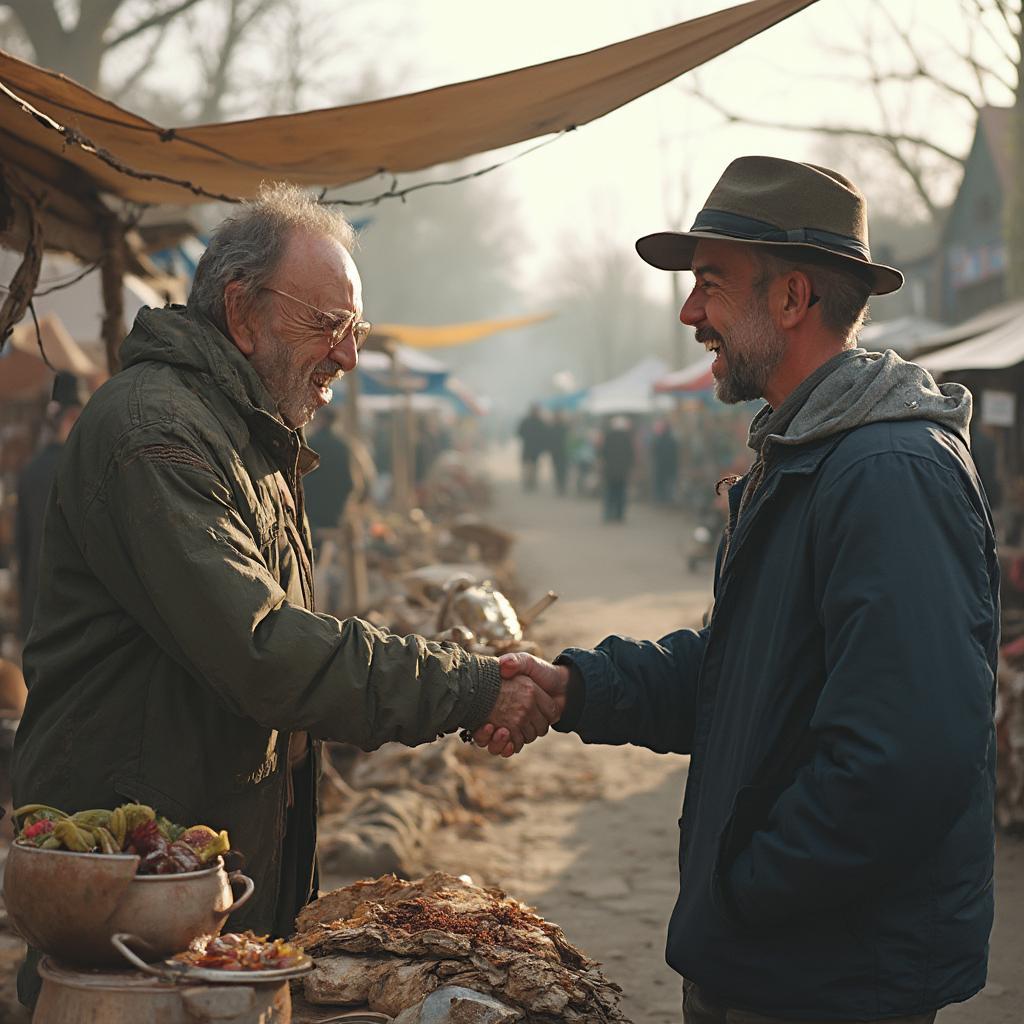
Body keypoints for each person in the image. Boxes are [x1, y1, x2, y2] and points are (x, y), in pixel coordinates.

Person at [475, 157, 998, 1024]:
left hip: (823, 977)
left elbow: (907, 756)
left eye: (709, 285)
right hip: (778, 962)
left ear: (793, 299)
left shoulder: (888, 472)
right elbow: (747, 674)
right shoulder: (810, 453)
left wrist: (750, 888)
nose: (689, 314)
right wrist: (578, 687)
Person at [11, 184, 558, 1005]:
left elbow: (288, 644)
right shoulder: (154, 434)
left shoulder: (246, 433)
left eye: (357, 331)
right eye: (329, 326)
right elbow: (266, 650)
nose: (347, 356)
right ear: (242, 310)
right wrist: (471, 683)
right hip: (133, 897)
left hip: (196, 884)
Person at [14, 372, 87, 642]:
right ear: (72, 417)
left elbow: (21, 549)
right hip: (76, 613)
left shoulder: (30, 471)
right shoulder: (83, 468)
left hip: (36, 611)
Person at [599, 415, 634, 522]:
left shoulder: (608, 437)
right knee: (621, 493)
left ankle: (608, 514)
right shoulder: (627, 439)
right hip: (622, 471)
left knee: (609, 493)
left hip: (610, 471)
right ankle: (619, 514)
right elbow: (630, 455)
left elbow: (603, 453)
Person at [516, 403, 547, 492]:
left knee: (532, 466)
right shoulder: (530, 421)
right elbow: (520, 433)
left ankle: (530, 482)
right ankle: (529, 482)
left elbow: (519, 433)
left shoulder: (532, 421)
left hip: (532, 448)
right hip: (531, 447)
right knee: (529, 466)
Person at [650, 417, 680, 504]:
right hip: (670, 466)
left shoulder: (658, 439)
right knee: (669, 482)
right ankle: (667, 499)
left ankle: (661, 499)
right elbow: (675, 454)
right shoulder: (672, 440)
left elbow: (654, 452)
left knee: (661, 482)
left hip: (661, 465)